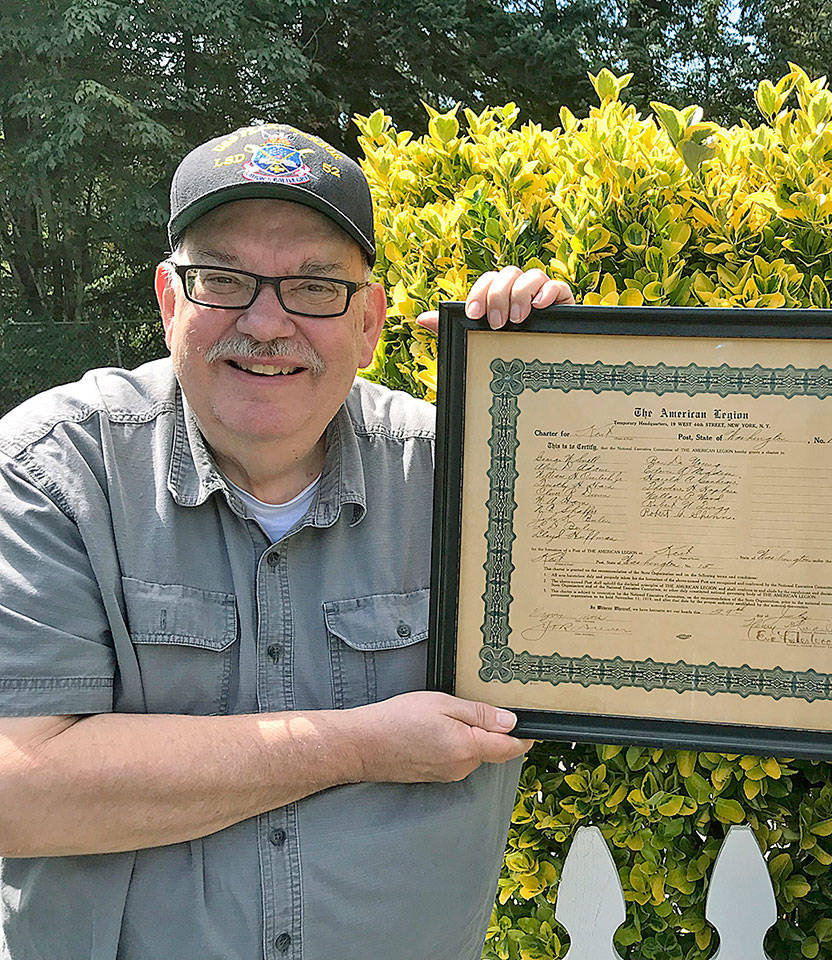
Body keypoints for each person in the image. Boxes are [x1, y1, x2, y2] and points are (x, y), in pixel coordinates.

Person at [0, 123, 568, 960]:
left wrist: (563, 396)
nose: (266, 322)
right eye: (224, 280)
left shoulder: (475, 473)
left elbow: (651, 584)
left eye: (314, 286)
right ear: (170, 303)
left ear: (370, 322)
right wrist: (359, 746)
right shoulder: (53, 472)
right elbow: (19, 793)